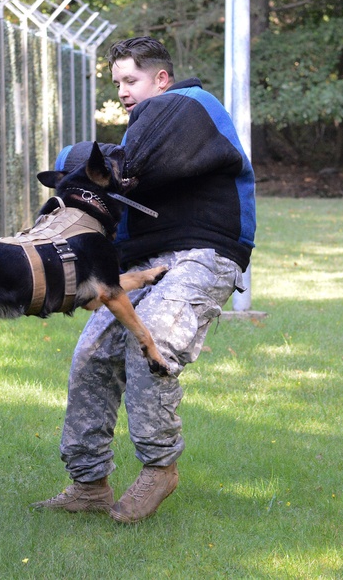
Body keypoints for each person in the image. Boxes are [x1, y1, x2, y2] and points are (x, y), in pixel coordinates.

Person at [33, 36, 256, 522]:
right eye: (116, 84)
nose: (122, 93)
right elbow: (110, 187)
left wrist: (88, 166)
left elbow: (123, 169)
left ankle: (160, 468)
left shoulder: (191, 106)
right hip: (147, 262)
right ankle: (88, 483)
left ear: (161, 78)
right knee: (91, 355)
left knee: (150, 338)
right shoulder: (141, 141)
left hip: (205, 254)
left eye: (130, 80)